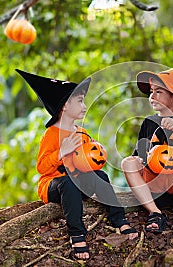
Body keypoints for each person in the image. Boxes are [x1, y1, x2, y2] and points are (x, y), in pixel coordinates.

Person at [16, 69, 138, 260]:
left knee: (102, 177)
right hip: (54, 184)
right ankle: (77, 233)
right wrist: (60, 153)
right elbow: (42, 168)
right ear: (64, 106)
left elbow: (86, 161)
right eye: (80, 101)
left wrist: (97, 152)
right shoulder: (51, 134)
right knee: (69, 182)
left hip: (77, 180)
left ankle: (118, 218)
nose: (84, 106)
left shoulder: (81, 131)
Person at [121, 55, 173, 239]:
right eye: (151, 91)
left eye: (159, 92)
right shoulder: (149, 122)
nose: (152, 96)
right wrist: (142, 157)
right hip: (152, 182)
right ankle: (154, 212)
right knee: (128, 162)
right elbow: (139, 154)